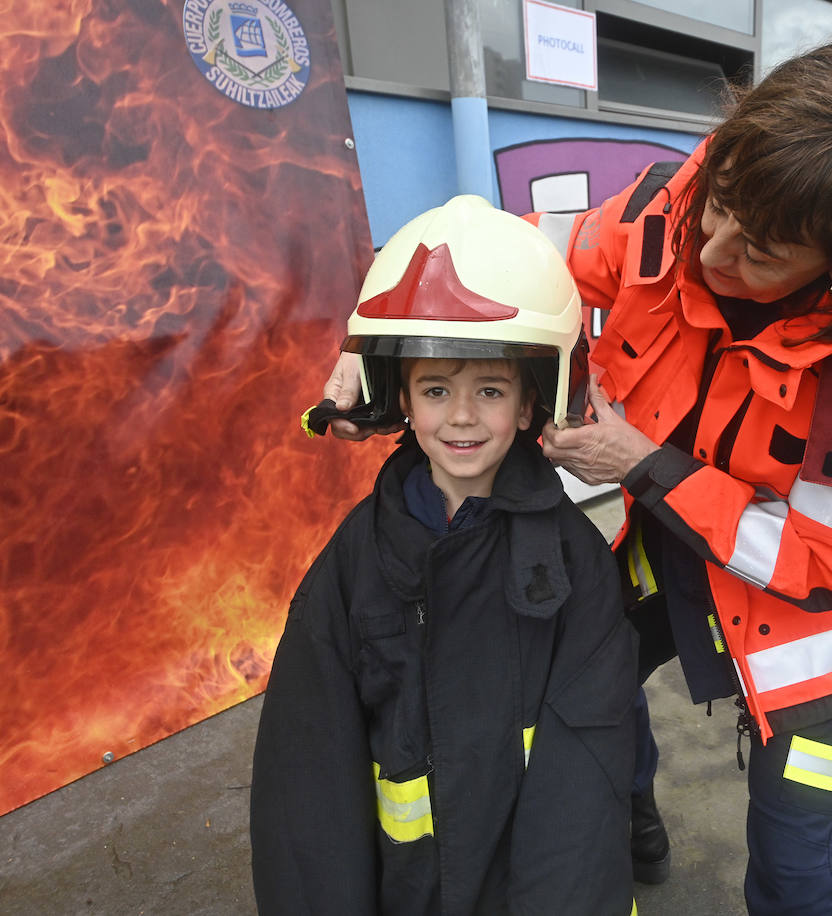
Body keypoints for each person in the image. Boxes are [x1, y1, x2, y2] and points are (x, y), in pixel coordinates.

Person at [323, 31, 832, 915]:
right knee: (587, 707)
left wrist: (638, 462)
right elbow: (516, 259)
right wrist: (371, 341)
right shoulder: (695, 199)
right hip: (660, 539)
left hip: (801, 630)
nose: (712, 251)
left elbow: (817, 562)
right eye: (718, 206)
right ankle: (633, 818)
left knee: (796, 861)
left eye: (760, 253)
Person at [252, 195, 638, 915]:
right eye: (436, 389)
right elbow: (304, 784)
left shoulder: (576, 566)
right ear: (401, 399)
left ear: (529, 407)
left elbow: (584, 786)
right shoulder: (355, 561)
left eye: (489, 390)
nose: (461, 416)